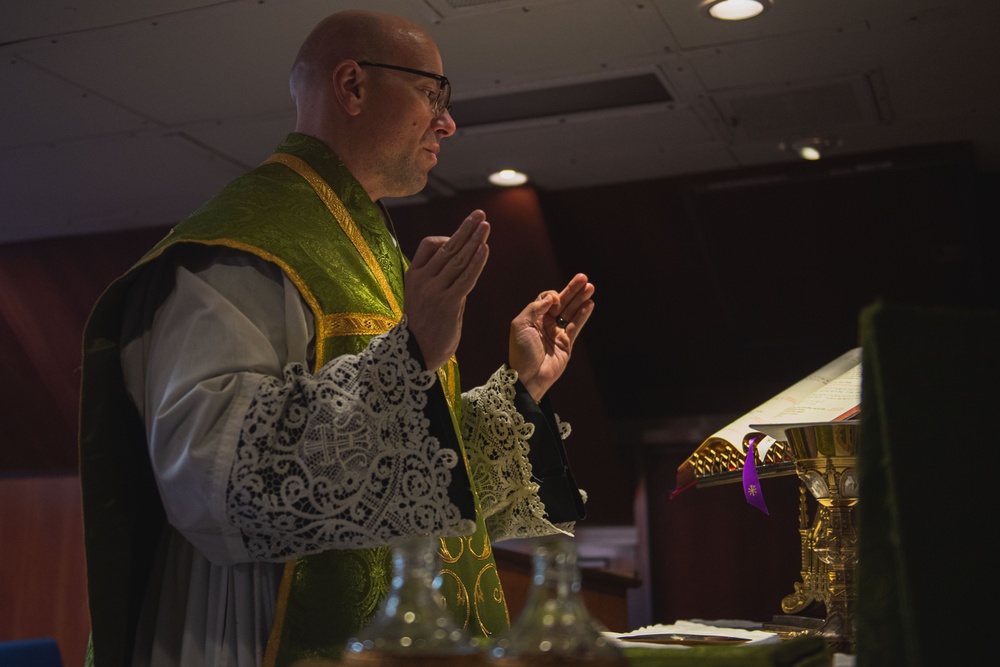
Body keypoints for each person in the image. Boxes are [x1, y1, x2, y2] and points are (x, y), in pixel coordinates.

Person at [78, 9, 595, 667]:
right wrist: (409, 357)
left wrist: (520, 388)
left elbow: (419, 488)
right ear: (351, 86)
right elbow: (213, 478)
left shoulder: (375, 254)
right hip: (246, 629)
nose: (448, 121)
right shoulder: (239, 248)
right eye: (433, 94)